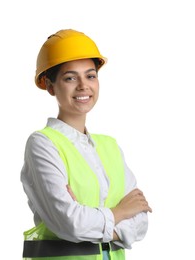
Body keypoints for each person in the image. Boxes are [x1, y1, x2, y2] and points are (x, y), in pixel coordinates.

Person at [21, 29, 152, 260]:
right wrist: (120, 212)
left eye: (90, 76)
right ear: (50, 86)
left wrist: (91, 218)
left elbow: (141, 220)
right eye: (70, 78)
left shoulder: (110, 146)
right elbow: (70, 222)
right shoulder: (43, 144)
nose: (83, 85)